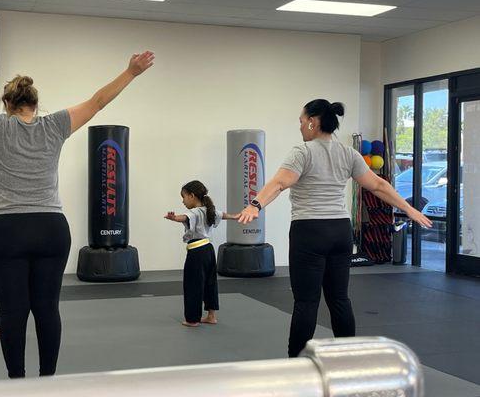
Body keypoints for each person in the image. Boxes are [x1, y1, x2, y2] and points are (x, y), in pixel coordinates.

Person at [0, 51, 154, 378]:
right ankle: (48, 382)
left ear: (7, 104)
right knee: (47, 309)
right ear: (35, 103)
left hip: (8, 230)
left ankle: (18, 382)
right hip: (51, 229)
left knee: (12, 311)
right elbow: (97, 101)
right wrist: (131, 71)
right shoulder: (56, 123)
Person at [238, 99, 432, 357]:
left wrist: (255, 205)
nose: (300, 127)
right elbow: (378, 185)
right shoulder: (347, 153)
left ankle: (296, 362)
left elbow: (279, 183)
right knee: (339, 299)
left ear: (312, 121)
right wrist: (409, 209)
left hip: (310, 232)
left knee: (306, 302)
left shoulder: (303, 152)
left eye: (301, 121)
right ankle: (347, 359)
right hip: (341, 231)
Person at [164, 180, 239, 327]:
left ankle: (192, 319)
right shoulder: (209, 209)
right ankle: (211, 316)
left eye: (184, 197)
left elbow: (185, 217)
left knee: (193, 284)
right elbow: (223, 215)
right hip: (209, 250)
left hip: (196, 252)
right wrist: (237, 216)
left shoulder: (195, 211)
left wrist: (174, 218)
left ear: (192, 196)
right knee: (210, 283)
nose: (183, 201)